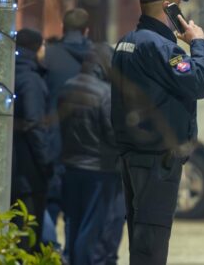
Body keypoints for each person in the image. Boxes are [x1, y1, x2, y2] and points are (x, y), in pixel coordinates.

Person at [111, 0, 204, 264]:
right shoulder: (161, 48)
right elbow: (201, 82)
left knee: (140, 240)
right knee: (152, 244)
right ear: (169, 8)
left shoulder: (126, 42)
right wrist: (199, 43)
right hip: (157, 159)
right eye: (177, 6)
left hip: (133, 154)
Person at [58, 44, 125, 264]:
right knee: (92, 229)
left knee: (74, 224)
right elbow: (112, 134)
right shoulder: (105, 93)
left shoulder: (67, 87)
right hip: (99, 171)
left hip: (71, 167)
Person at [41, 8, 93, 250]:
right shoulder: (98, 57)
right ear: (86, 30)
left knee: (48, 206)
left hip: (53, 144)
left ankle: (51, 255)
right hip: (87, 149)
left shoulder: (49, 56)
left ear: (63, 27)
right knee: (78, 212)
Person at [11, 28, 52, 251]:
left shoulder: (7, 72)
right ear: (35, 48)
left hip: (12, 169)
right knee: (27, 236)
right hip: (29, 173)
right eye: (43, 45)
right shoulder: (31, 79)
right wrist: (46, 162)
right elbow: (35, 125)